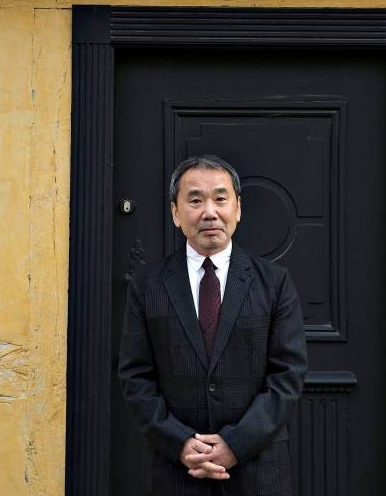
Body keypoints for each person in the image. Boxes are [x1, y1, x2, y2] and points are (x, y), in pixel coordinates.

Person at [118, 155, 308, 496]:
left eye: (220, 199)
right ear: (176, 213)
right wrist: (179, 444)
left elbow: (288, 374)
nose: (209, 212)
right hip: (178, 472)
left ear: (237, 209)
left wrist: (235, 444)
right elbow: (136, 376)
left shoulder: (275, 283)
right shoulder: (148, 286)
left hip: (259, 471)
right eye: (195, 200)